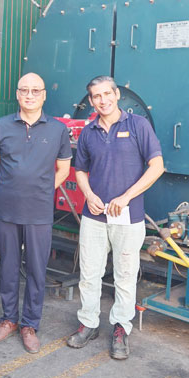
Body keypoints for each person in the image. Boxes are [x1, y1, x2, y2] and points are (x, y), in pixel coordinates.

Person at [66, 75, 164, 360]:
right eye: (96, 96)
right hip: (95, 215)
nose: (103, 100)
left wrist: (126, 197)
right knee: (89, 273)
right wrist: (89, 195)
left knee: (125, 275)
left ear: (117, 94)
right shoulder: (89, 131)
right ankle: (88, 323)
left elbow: (156, 166)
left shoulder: (137, 125)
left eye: (107, 94)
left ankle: (121, 327)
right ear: (92, 101)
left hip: (128, 215)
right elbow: (80, 170)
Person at [0, 72, 72, 354]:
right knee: (8, 268)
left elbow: (64, 169)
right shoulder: (1, 126)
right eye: (25, 90)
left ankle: (29, 324)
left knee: (36, 270)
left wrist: (43, 191)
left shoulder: (58, 130)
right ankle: (9, 319)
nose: (30, 95)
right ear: (18, 94)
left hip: (40, 212)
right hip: (7, 210)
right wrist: (11, 188)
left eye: (36, 90)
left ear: (44, 95)